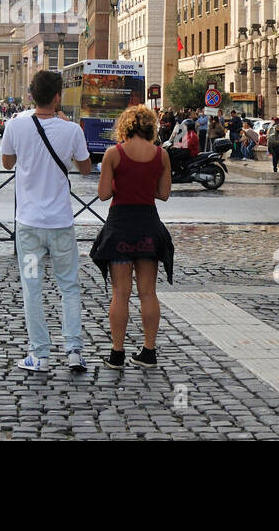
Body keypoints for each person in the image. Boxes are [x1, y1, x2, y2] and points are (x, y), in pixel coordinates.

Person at [1, 70, 92, 374]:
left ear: (30, 95)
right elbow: (85, 168)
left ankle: (39, 355)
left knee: (32, 288)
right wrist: (66, 132)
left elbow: (7, 162)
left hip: (28, 226)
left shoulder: (15, 125)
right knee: (69, 286)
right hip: (61, 224)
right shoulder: (72, 130)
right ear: (57, 97)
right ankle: (74, 351)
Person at [90, 105, 174, 369]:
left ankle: (117, 354)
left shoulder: (114, 154)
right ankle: (149, 352)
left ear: (124, 126)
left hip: (121, 225)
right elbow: (163, 194)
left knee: (120, 292)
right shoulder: (161, 155)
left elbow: (103, 194)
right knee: (148, 292)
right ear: (151, 127)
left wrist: (119, 183)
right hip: (148, 223)